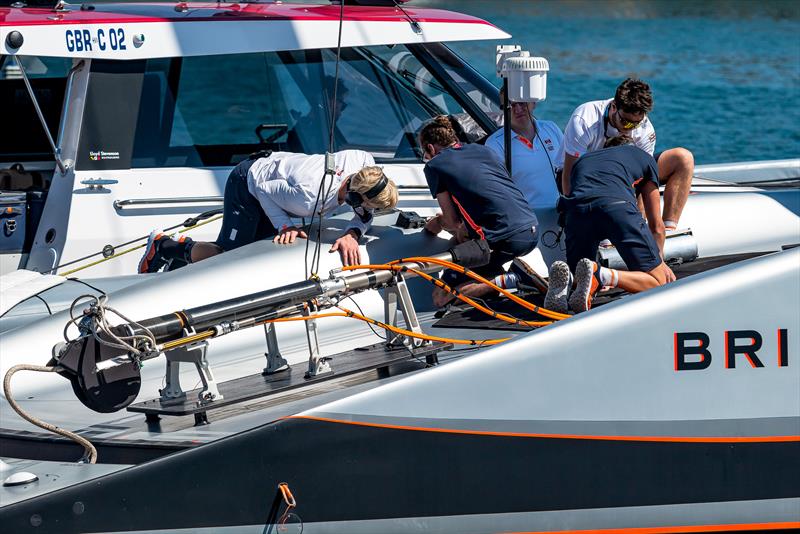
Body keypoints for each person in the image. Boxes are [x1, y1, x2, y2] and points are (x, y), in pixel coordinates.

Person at [138, 150, 398, 273]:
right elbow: (264, 189)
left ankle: (179, 260)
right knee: (229, 256)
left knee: (256, 248)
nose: (368, 212)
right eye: (367, 205)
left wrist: (353, 232)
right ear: (353, 194)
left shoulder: (364, 163)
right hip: (248, 184)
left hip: (280, 183)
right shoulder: (309, 198)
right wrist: (285, 225)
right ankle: (163, 247)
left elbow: (363, 217)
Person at [545, 136, 676, 314]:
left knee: (580, 275)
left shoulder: (584, 160)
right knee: (658, 282)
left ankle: (569, 282)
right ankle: (603, 275)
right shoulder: (643, 157)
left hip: (576, 212)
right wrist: (657, 263)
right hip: (615, 207)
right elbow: (657, 226)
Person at [420, 116, 540, 308]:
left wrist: (433, 225)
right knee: (476, 256)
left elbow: (451, 222)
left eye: (424, 154)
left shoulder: (435, 165)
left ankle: (514, 279)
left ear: (431, 149)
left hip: (503, 238)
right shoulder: (484, 150)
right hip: (531, 229)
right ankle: (503, 278)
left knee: (441, 296)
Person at [560, 78, 694, 231]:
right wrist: (574, 214)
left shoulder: (645, 129)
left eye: (636, 123)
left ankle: (669, 228)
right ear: (614, 107)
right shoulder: (585, 118)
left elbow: (644, 178)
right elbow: (570, 172)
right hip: (581, 175)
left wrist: (644, 225)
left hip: (619, 174)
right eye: (626, 122)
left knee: (683, 158)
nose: (630, 129)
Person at [485, 89, 565, 267]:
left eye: (522, 103)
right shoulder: (495, 143)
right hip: (529, 223)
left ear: (533, 103)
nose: (518, 109)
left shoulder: (550, 128)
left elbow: (567, 169)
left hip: (561, 215)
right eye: (511, 105)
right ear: (503, 109)